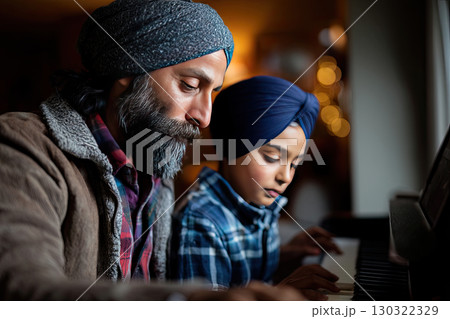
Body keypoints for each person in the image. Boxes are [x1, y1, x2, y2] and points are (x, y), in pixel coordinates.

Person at [0, 0, 303, 301]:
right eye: (189, 85)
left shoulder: (154, 162)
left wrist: (281, 261)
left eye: (213, 92)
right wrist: (191, 301)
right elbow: (24, 289)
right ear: (127, 67)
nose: (204, 117)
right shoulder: (23, 146)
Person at [170, 76, 342, 300]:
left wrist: (281, 260)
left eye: (295, 164)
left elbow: (244, 279)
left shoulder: (258, 204)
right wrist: (280, 294)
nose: (285, 177)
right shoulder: (201, 224)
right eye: (271, 157)